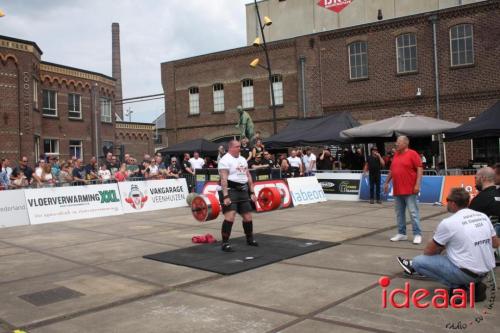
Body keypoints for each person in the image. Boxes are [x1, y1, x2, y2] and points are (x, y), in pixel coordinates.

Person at [397, 187, 497, 301]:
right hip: (485, 272)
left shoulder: (449, 223)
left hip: (467, 273)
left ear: (453, 203)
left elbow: (428, 252)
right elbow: (495, 243)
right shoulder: (482, 216)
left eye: (447, 199)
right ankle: (474, 286)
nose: (446, 202)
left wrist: (437, 239)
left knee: (418, 262)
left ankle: (459, 288)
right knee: (452, 251)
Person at [218, 140, 258, 252]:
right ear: (230, 148)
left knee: (248, 217)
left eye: (239, 146)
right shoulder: (225, 160)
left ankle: (250, 239)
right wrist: (225, 196)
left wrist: (252, 192)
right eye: (237, 147)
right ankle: (225, 243)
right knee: (230, 216)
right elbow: (223, 179)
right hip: (230, 190)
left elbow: (248, 176)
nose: (239, 148)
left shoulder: (242, 159)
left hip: (243, 191)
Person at [384, 136, 423, 244]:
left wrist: (417, 185)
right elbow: (392, 170)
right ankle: (402, 233)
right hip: (397, 189)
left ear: (405, 144)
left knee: (413, 212)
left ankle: (417, 234)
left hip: (410, 189)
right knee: (399, 213)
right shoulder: (396, 154)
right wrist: (386, 182)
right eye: (396, 142)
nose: (396, 144)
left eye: (398, 142)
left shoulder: (413, 154)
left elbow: (420, 169)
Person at [469, 167, 500, 236]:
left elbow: (469, 225)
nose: (475, 181)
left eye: (476, 178)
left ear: (483, 178)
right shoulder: (498, 193)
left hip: (484, 239)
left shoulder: (479, 199)